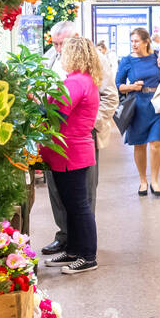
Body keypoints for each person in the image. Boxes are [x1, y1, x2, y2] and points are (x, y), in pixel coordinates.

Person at [41, 21, 117, 257]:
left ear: (75, 39)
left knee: (81, 195)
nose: (58, 49)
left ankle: (82, 245)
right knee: (58, 191)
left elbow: (110, 97)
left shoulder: (92, 62)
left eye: (61, 44)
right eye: (54, 44)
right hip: (57, 138)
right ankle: (67, 238)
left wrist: (87, 123)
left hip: (78, 137)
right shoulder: (51, 58)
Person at [41, 37, 101, 275]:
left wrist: (37, 103)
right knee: (72, 205)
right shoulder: (81, 81)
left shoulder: (76, 83)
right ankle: (74, 250)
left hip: (70, 152)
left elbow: (56, 113)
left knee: (78, 206)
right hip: (70, 151)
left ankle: (87, 256)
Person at [116, 26, 160, 196]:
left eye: (136, 41)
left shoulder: (159, 55)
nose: (133, 44)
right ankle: (143, 180)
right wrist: (132, 86)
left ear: (146, 42)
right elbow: (118, 85)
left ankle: (155, 181)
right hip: (137, 105)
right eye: (132, 42)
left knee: (157, 143)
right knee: (139, 144)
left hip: (158, 104)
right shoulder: (127, 60)